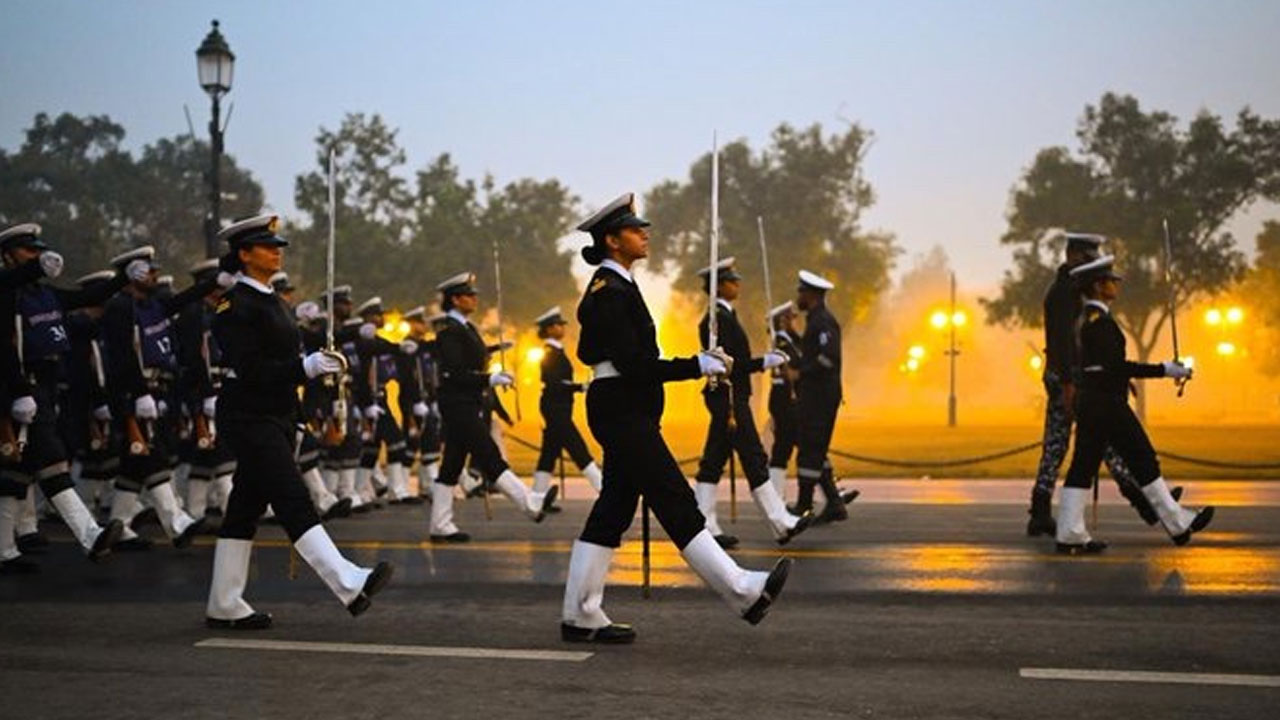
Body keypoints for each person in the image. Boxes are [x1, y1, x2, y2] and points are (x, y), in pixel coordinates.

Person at [561, 193, 792, 644]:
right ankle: (742, 591)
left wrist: (695, 365)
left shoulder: (619, 286)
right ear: (611, 240)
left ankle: (581, 613)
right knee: (673, 496)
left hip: (624, 408)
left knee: (613, 510)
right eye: (634, 228)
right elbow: (635, 365)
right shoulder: (609, 294)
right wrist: (695, 365)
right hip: (622, 409)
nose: (644, 233)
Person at [205, 214, 392, 629]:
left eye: (277, 245)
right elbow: (250, 368)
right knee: (292, 497)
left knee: (244, 509)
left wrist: (300, 412)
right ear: (244, 254)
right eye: (267, 245)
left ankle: (224, 603)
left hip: (276, 415)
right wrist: (304, 368)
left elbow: (286, 366)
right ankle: (348, 582)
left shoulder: (275, 302)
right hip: (248, 415)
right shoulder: (233, 305)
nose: (277, 250)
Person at [1055, 256, 1213, 554]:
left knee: (1083, 466)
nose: (1116, 284)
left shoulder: (1088, 319)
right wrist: (1166, 370)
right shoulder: (1098, 323)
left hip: (1093, 401)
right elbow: (1116, 366)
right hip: (1107, 404)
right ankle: (1177, 522)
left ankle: (1070, 533)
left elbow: (1102, 366)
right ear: (1097, 286)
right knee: (1142, 458)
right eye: (1110, 281)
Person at [1028, 232, 1172, 536]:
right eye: (1091, 257)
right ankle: (1144, 501)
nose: (1096, 265)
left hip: (1079, 377)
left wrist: (1115, 376)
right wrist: (1068, 383)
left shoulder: (1072, 290)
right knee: (1070, 443)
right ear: (1075, 256)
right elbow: (1064, 342)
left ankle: (1042, 510)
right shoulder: (1065, 294)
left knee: (1081, 442)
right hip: (1068, 377)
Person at [0, 223, 124, 572]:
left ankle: (5, 550)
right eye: (29, 251)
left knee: (16, 474)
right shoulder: (7, 293)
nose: (36, 256)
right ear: (8, 256)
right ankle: (90, 536)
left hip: (42, 388)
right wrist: (20, 391)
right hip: (17, 388)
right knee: (52, 460)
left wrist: (122, 278)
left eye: (38, 250)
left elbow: (86, 298)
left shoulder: (43, 293)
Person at [427, 272, 557, 543]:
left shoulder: (466, 328)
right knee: (488, 454)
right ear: (455, 299)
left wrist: (494, 350)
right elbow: (454, 372)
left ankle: (440, 524)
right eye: (469, 295)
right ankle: (529, 503)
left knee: (451, 465)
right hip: (457, 404)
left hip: (467, 403)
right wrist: (490, 378)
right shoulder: (449, 331)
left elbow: (472, 355)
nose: (475, 299)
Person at [102, 246, 217, 549]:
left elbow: (184, 300)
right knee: (152, 456)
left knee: (135, 463)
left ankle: (119, 525)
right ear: (132, 273)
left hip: (156, 390)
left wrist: (217, 278)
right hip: (132, 392)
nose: (155, 275)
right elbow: (123, 355)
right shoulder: (120, 307)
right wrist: (138, 394)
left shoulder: (155, 304)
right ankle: (175, 523)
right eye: (148, 270)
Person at [693, 258, 809, 547]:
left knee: (713, 462)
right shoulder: (715, 320)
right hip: (729, 397)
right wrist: (762, 362)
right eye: (732, 280)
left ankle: (704, 527)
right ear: (719, 286)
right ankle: (780, 522)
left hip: (730, 396)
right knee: (754, 457)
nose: (738, 284)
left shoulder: (725, 316)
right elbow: (727, 364)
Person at [789, 270, 858, 523]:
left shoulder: (823, 322)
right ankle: (834, 503)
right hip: (815, 396)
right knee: (814, 448)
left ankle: (804, 505)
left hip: (820, 397)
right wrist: (793, 334)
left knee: (809, 450)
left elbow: (827, 358)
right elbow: (811, 350)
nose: (798, 296)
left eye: (801, 292)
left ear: (811, 295)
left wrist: (799, 374)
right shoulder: (815, 321)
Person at [531, 306, 603, 503]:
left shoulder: (556, 351)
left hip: (559, 405)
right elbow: (553, 382)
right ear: (549, 329)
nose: (562, 328)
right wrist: (579, 387)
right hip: (555, 406)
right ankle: (603, 489)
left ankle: (537, 497)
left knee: (549, 452)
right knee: (578, 449)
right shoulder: (550, 352)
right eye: (558, 325)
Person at [765, 301, 801, 498]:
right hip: (783, 397)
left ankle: (829, 489)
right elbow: (789, 372)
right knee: (784, 445)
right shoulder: (781, 341)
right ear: (781, 321)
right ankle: (775, 495)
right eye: (789, 317)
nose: (793, 321)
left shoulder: (792, 339)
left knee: (797, 443)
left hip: (790, 397)